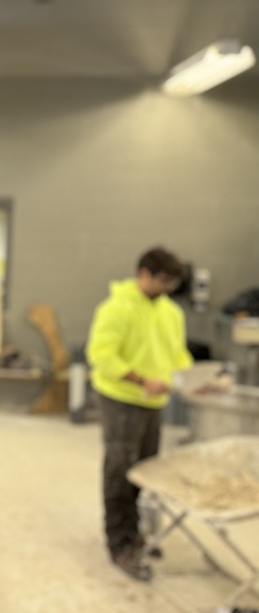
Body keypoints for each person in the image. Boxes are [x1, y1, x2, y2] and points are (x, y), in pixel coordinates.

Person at [86, 247, 194, 582]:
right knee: (120, 470)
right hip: (121, 399)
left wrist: (196, 379)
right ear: (143, 273)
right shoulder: (116, 308)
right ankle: (120, 544)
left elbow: (177, 356)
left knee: (144, 471)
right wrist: (141, 379)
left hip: (153, 404)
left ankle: (133, 533)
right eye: (163, 280)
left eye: (173, 283)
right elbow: (101, 355)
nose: (168, 288)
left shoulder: (171, 313)